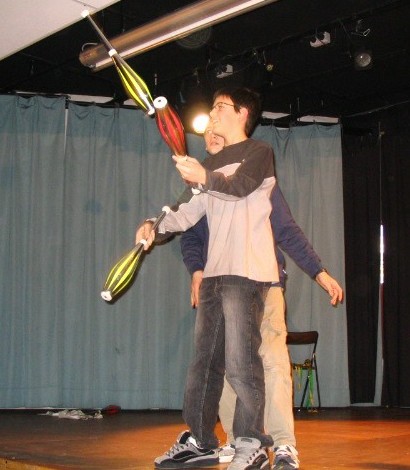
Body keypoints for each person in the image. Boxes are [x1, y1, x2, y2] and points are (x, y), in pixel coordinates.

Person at [180, 128, 344, 470]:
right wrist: (197, 270)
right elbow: (190, 235)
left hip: (263, 284)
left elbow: (286, 229)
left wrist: (319, 272)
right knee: (225, 365)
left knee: (272, 360)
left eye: (219, 125)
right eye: (208, 130)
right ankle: (237, 441)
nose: (213, 133)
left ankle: (283, 445)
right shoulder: (200, 184)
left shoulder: (254, 175)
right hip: (220, 287)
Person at [136, 87, 280, 470]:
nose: (213, 113)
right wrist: (154, 226)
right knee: (204, 364)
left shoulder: (259, 152)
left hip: (246, 271)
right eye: (212, 107)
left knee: (241, 362)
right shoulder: (211, 163)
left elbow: (238, 189)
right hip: (215, 274)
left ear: (243, 112)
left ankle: (251, 443)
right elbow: (185, 211)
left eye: (220, 107)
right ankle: (201, 440)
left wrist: (204, 175)